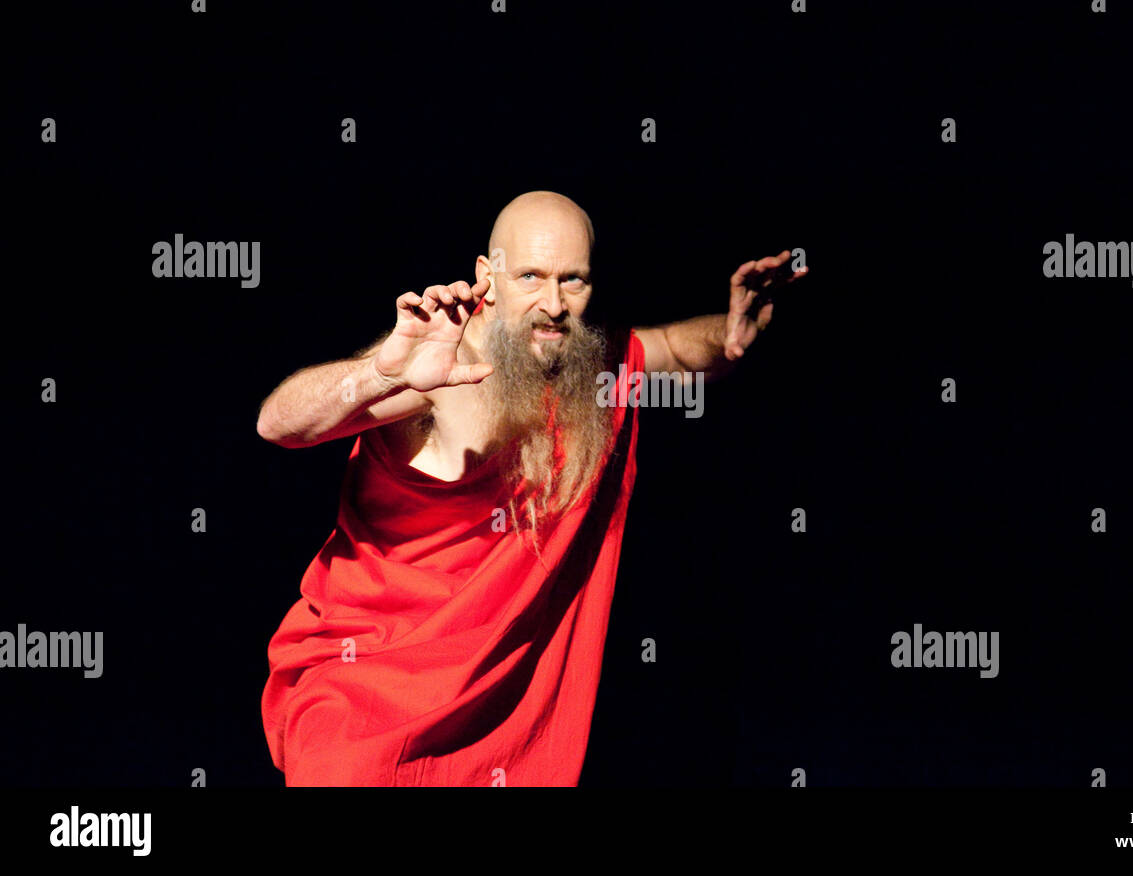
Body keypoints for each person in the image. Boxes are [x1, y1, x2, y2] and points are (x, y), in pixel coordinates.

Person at [256, 190, 807, 785]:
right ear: (485, 277)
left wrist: (729, 333)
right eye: (531, 277)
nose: (553, 303)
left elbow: (674, 348)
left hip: (495, 726)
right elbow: (279, 424)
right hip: (363, 708)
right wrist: (379, 373)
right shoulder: (439, 368)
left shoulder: (592, 369)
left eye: (573, 281)